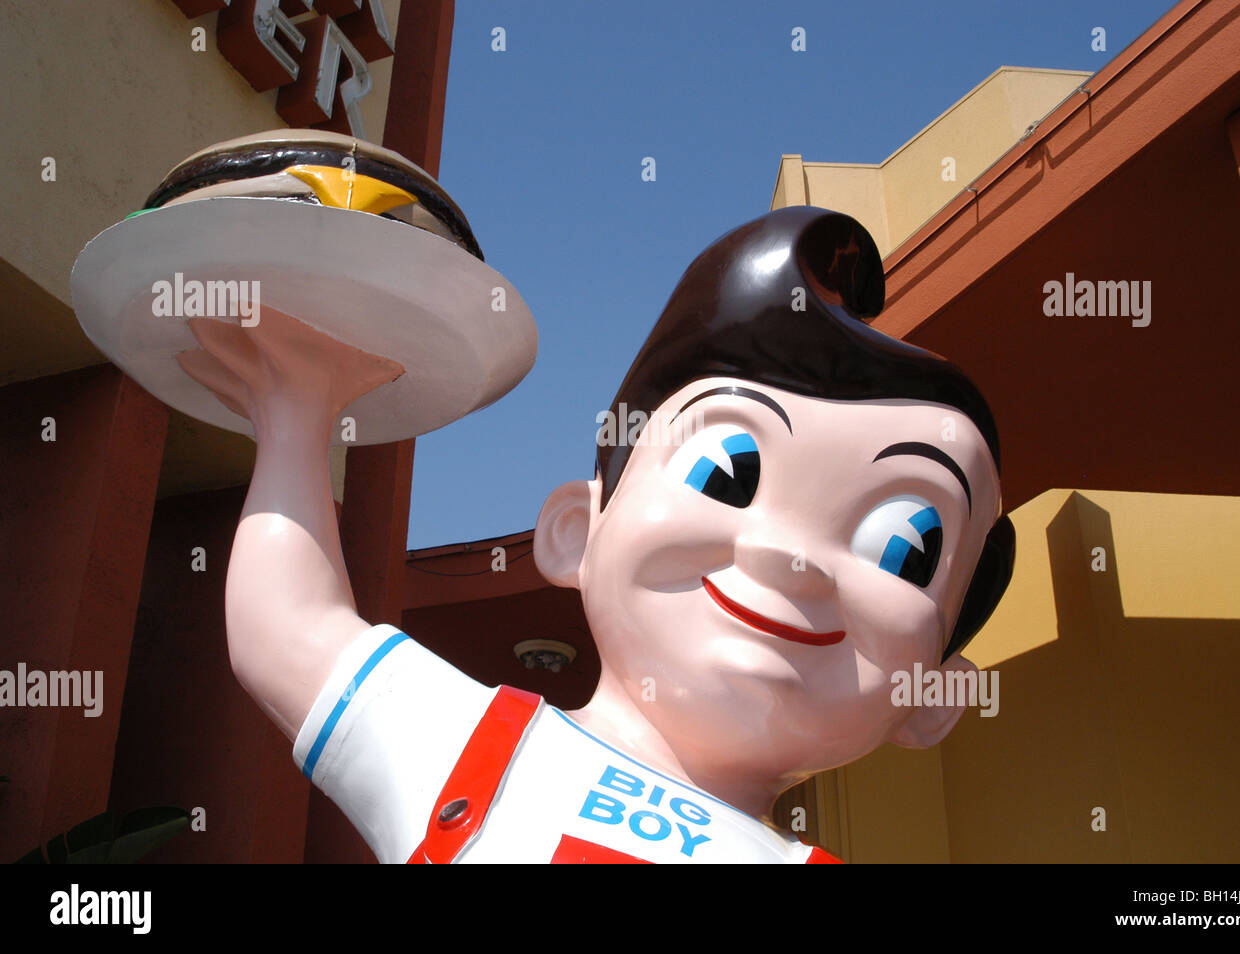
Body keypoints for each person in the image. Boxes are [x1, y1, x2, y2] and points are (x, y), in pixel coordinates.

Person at [180, 205, 1014, 863]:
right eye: (728, 472)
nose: (788, 557)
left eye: (903, 546)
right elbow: (292, 631)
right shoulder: (480, 742)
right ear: (575, 533)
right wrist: (295, 412)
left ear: (935, 698)